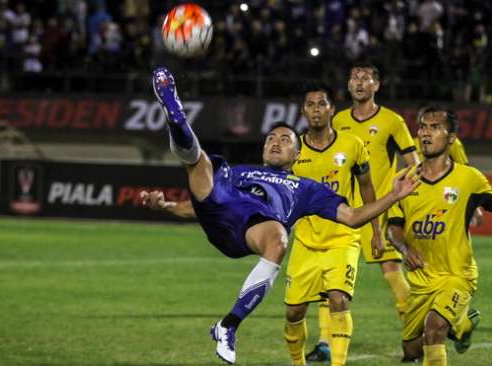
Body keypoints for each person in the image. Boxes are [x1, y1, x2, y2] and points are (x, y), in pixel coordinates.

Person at [146, 67, 421, 365]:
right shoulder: (241, 172)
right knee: (200, 162)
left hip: (256, 232)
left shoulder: (304, 187)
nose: (276, 142)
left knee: (280, 241)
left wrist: (394, 196)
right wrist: (166, 207)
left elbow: (353, 216)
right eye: (271, 139)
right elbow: (197, 207)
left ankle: (228, 325)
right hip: (222, 214)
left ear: (296, 155)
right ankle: (175, 114)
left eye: (285, 140)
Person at [386, 106, 492, 366]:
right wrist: (404, 248)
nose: (425, 133)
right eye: (423, 127)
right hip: (422, 280)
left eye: (435, 127)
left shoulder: (469, 179)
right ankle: (463, 326)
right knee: (411, 350)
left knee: (433, 330)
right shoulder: (405, 180)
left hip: (457, 275)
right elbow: (394, 227)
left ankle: (457, 325)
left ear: (451, 138)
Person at [305, 62, 419, 362]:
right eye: (354, 77)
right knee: (328, 281)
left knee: (393, 273)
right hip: (342, 213)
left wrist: (405, 201)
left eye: (365, 78)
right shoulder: (337, 120)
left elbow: (414, 164)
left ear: (376, 86)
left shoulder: (392, 122)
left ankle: (414, 336)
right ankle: (324, 344)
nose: (358, 82)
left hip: (379, 210)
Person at [283, 83, 378, 366]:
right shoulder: (293, 151)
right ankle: (297, 362)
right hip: (306, 242)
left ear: (332, 110)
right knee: (293, 313)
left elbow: (367, 188)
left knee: (338, 299)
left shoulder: (352, 145)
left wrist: (375, 231)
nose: (316, 110)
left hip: (343, 238)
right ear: (303, 111)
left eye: (321, 104)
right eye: (310, 105)